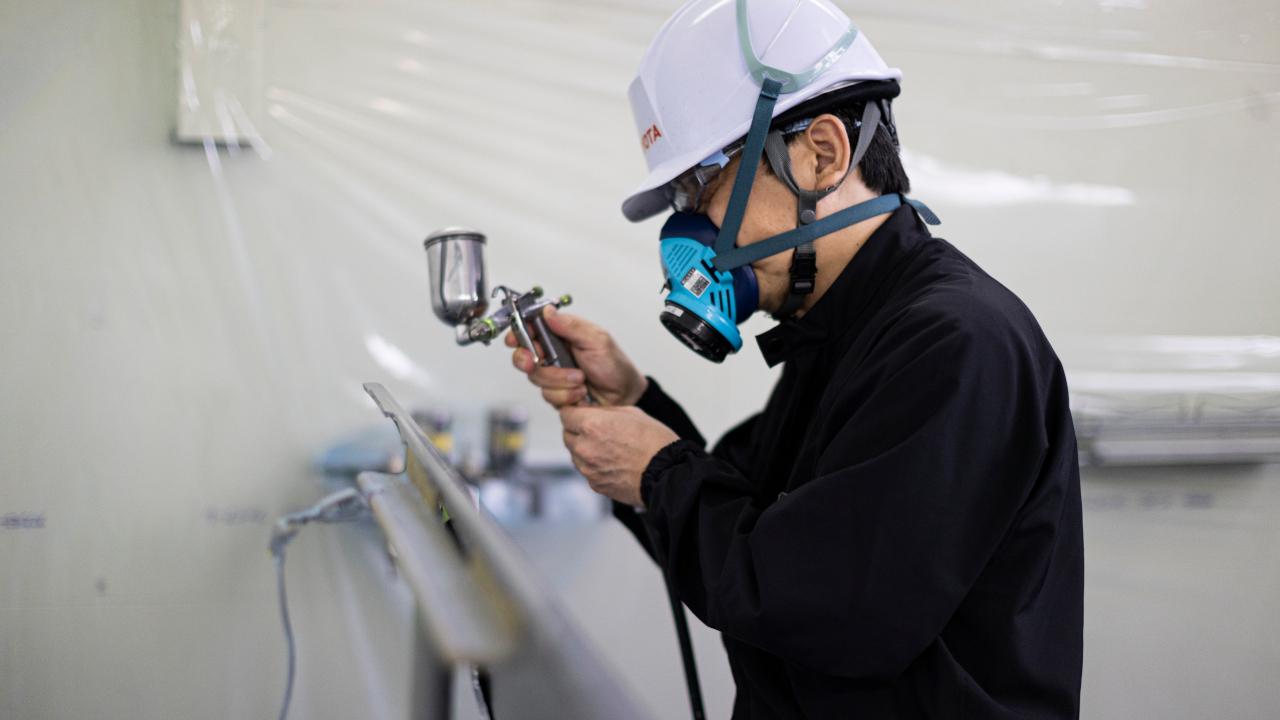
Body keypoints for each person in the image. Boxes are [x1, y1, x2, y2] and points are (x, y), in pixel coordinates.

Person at [507, 0, 1084, 717]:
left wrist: (657, 473)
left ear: (822, 155)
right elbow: (746, 541)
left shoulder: (955, 343)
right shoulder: (839, 331)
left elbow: (829, 606)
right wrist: (635, 405)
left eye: (702, 187)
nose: (689, 230)